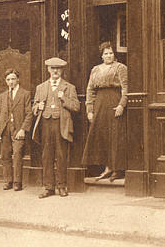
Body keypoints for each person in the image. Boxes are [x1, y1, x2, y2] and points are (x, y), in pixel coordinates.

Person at [32, 57, 80, 198]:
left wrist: (64, 98)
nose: (55, 71)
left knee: (61, 155)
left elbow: (76, 107)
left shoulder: (69, 87)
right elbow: (34, 107)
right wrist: (37, 107)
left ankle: (62, 186)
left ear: (62, 70)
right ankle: (48, 187)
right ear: (48, 70)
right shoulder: (40, 88)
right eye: (52, 68)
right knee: (47, 156)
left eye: (58, 69)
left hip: (61, 125)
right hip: (46, 125)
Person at [82, 42, 128, 182]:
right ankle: (107, 167)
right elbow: (90, 90)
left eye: (111, 53)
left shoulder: (121, 68)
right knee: (102, 135)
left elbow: (126, 88)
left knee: (115, 135)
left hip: (114, 101)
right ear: (101, 56)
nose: (109, 56)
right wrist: (90, 110)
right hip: (100, 105)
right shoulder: (95, 70)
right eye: (106, 53)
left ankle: (117, 169)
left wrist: (121, 105)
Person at [0, 69, 33, 191]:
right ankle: (8, 180)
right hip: (5, 130)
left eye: (13, 79)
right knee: (5, 156)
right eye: (8, 79)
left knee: (18, 155)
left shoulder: (25, 94)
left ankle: (17, 182)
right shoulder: (3, 96)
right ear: (6, 81)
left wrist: (23, 129)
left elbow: (29, 114)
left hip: (18, 130)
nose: (11, 82)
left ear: (18, 79)